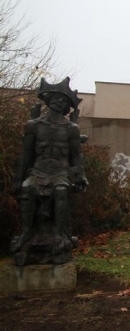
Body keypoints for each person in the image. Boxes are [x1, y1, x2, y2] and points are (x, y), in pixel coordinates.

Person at [11, 77, 88, 265]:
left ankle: (59, 236)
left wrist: (80, 176)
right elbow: (26, 154)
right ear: (48, 99)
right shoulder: (34, 125)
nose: (58, 101)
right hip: (38, 172)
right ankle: (26, 233)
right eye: (55, 96)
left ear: (66, 107)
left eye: (63, 99)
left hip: (60, 173)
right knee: (28, 189)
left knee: (61, 191)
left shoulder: (71, 128)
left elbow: (76, 156)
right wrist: (18, 179)